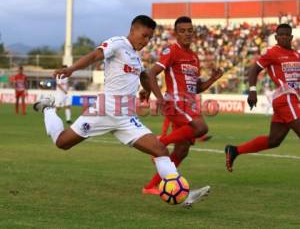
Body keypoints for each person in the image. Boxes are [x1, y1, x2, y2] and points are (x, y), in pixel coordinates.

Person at [33, 15, 198, 206]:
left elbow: (144, 76)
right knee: (62, 142)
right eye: (144, 36)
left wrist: (151, 93)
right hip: (104, 110)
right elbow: (96, 55)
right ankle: (48, 108)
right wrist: (72, 69)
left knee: (160, 150)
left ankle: (181, 195)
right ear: (133, 30)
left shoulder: (135, 57)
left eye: (149, 39)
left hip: (126, 118)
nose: (145, 42)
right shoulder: (117, 43)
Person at [141, 16, 223, 195]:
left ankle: (150, 187)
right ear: (176, 33)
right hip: (176, 102)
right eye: (182, 31)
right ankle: (159, 143)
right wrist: (160, 98)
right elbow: (150, 73)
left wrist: (212, 79)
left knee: (182, 150)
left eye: (190, 31)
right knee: (201, 127)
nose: (187, 34)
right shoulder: (172, 50)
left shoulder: (193, 57)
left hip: (189, 103)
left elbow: (196, 87)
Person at [225, 23, 300, 172]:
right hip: (286, 98)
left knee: (274, 141)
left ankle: (235, 150)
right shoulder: (272, 53)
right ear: (276, 37)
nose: (284, 37)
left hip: (291, 100)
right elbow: (254, 69)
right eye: (281, 35)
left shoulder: (297, 55)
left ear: (291, 37)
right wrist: (252, 90)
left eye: (287, 35)